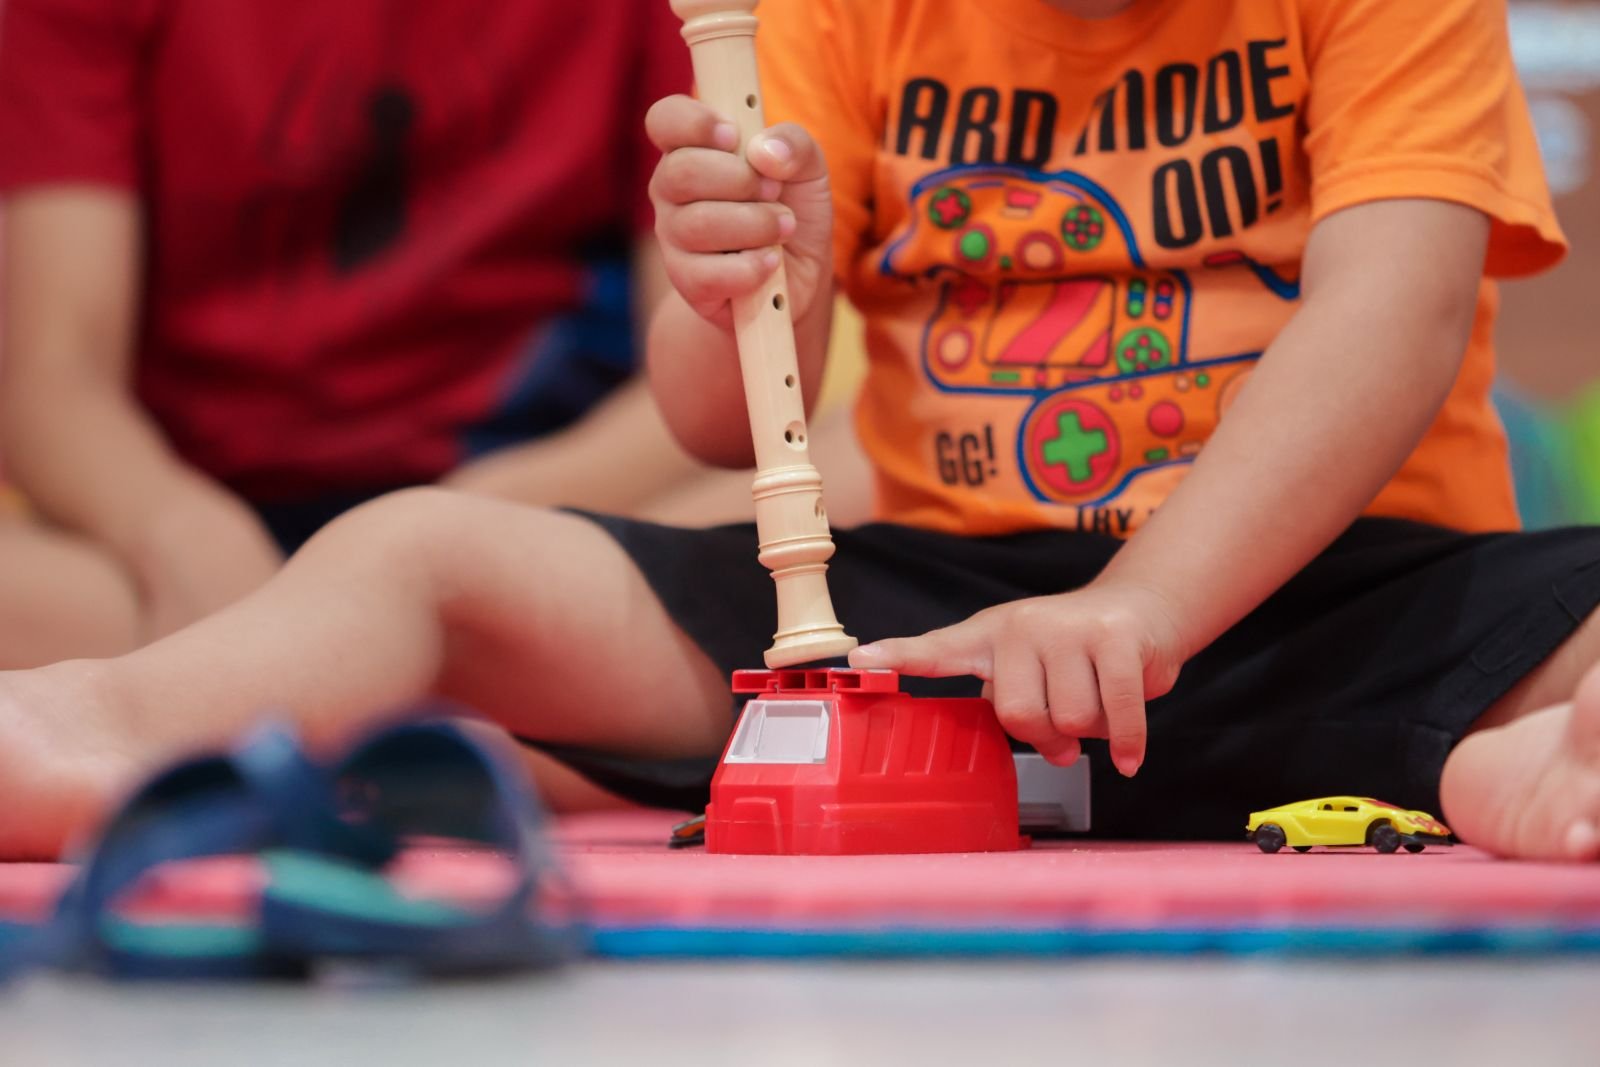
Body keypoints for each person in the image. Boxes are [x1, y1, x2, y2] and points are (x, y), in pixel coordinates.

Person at [2, 0, 1599, 866]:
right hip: (930, 636)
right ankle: (110, 728)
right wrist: (731, 289)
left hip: (1337, 592)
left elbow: (1385, 322)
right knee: (420, 550)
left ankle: (1502, 759)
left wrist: (1143, 607)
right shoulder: (835, 17)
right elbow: (717, 418)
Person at [0, 0, 705, 666]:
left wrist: (456, 538)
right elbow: (51, 380)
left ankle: (259, 694)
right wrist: (182, 534)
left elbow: (707, 364)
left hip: (538, 509)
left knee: (779, 522)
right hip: (204, 526)